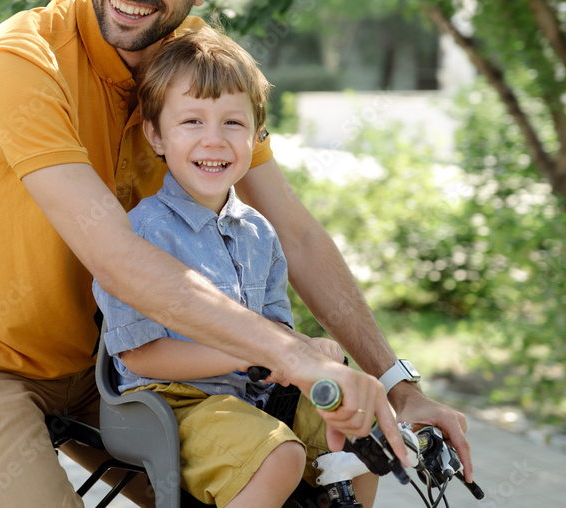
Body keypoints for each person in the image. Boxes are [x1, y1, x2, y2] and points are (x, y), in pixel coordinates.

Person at [0, 0, 471, 508]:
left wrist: (397, 383)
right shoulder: (22, 60)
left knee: (303, 474)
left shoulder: (199, 73)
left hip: (115, 366)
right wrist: (288, 352)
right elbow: (116, 256)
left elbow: (297, 235)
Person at [93, 28, 379, 507]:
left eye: (232, 123)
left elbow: (274, 336)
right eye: (192, 121)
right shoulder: (141, 234)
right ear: (156, 135)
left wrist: (311, 349)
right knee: (279, 456)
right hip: (169, 403)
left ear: (256, 135)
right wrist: (245, 354)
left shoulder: (259, 234)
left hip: (253, 400)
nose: (214, 140)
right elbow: (141, 357)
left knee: (361, 424)